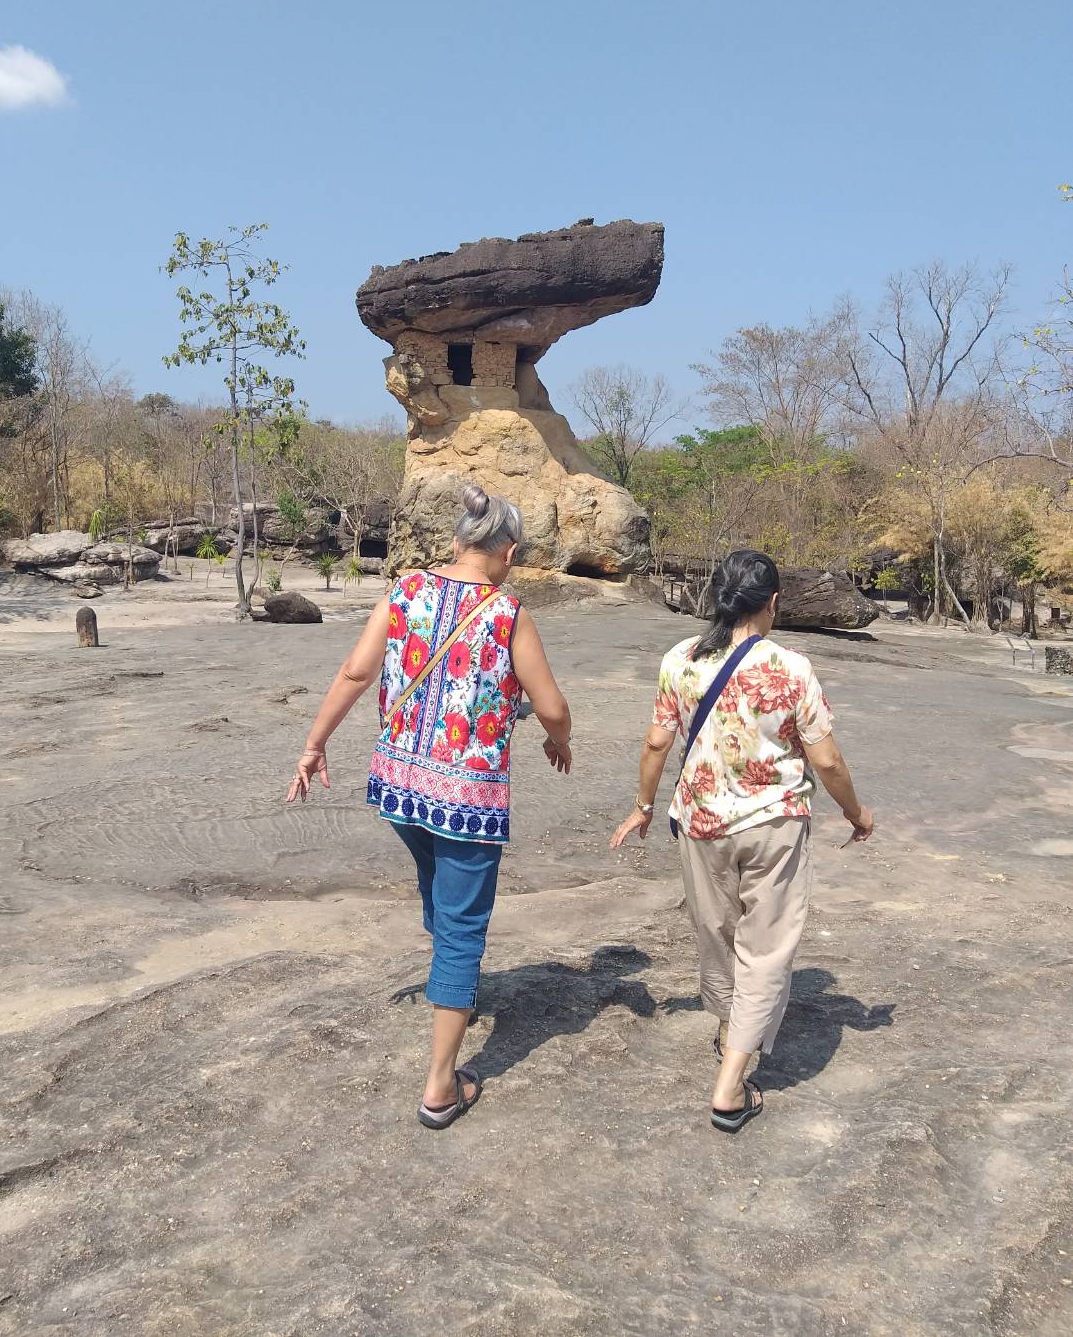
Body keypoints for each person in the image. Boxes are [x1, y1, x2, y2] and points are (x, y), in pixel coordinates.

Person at [287, 484, 573, 1130]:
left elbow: (357, 673)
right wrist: (560, 737)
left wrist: (314, 744)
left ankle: (452, 985)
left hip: (398, 787)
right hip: (465, 800)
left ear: (456, 539)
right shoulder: (506, 611)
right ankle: (442, 1084)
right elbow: (550, 705)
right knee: (463, 927)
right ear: (508, 549)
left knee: (441, 898)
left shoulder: (406, 590)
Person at [609, 550, 873, 1133]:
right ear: (773, 602)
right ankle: (731, 1082)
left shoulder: (680, 660)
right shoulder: (791, 667)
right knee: (766, 946)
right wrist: (856, 813)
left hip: (700, 824)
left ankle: (731, 1028)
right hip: (772, 825)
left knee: (718, 934)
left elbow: (656, 744)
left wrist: (643, 807)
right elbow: (824, 758)